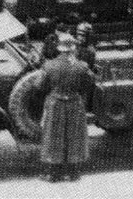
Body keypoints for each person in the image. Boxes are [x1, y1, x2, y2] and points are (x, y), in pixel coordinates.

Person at [37, 33, 95, 182]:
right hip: (75, 103)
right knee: (75, 136)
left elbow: (39, 86)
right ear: (73, 49)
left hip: (55, 103)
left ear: (59, 49)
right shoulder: (82, 66)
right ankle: (73, 173)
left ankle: (53, 174)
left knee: (54, 136)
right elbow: (89, 84)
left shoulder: (49, 65)